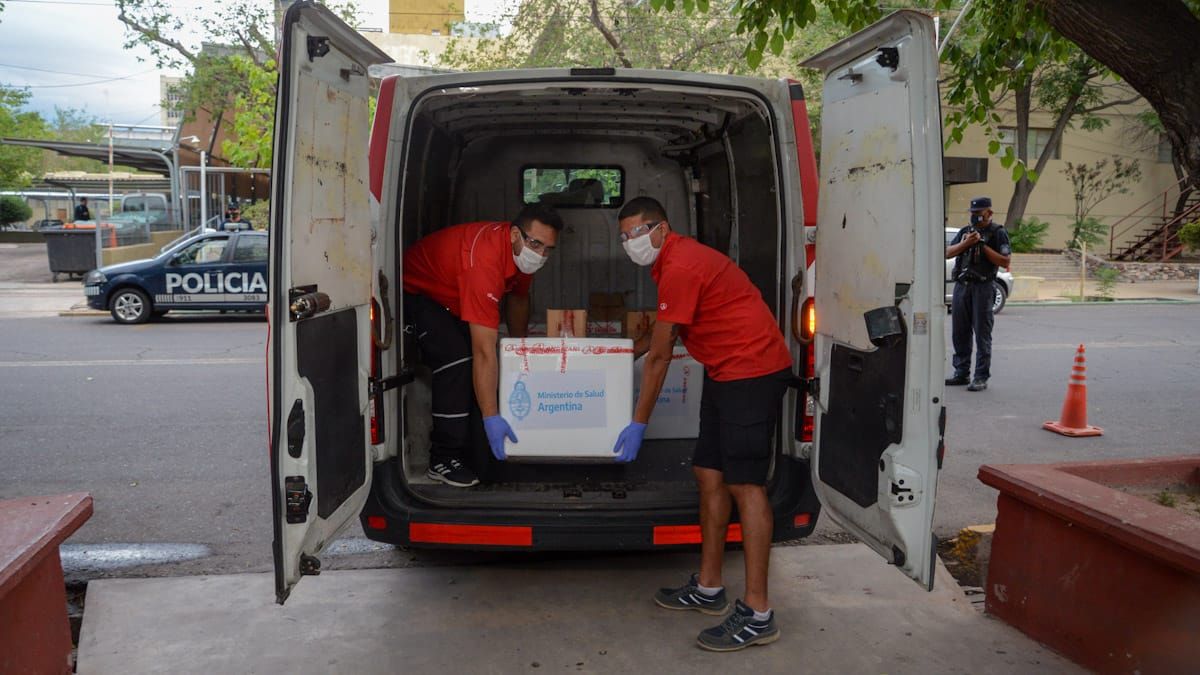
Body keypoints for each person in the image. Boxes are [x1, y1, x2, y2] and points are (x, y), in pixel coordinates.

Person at [612, 196, 792, 651]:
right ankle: (709, 587)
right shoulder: (672, 262)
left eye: (637, 233)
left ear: (661, 228)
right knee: (708, 472)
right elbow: (656, 335)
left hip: (751, 371)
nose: (630, 243)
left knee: (746, 486)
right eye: (623, 236)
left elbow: (659, 355)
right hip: (725, 370)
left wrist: (638, 423)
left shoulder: (682, 265)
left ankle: (758, 613)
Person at [401, 204, 562, 487]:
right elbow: (484, 352)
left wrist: (518, 351)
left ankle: (476, 450)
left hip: (453, 295)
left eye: (548, 249)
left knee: (492, 360)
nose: (540, 255)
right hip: (416, 292)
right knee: (460, 359)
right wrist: (491, 418)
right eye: (536, 244)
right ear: (515, 234)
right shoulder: (485, 261)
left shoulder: (522, 255)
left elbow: (519, 299)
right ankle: (442, 457)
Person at [945, 197, 1011, 392]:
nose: (975, 217)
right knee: (960, 332)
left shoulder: (998, 233)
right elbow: (947, 253)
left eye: (979, 213)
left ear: (989, 213)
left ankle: (981, 376)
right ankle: (961, 373)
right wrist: (966, 243)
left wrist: (982, 245)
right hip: (962, 286)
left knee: (982, 333)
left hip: (983, 287)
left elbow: (1004, 261)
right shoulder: (965, 232)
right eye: (972, 213)